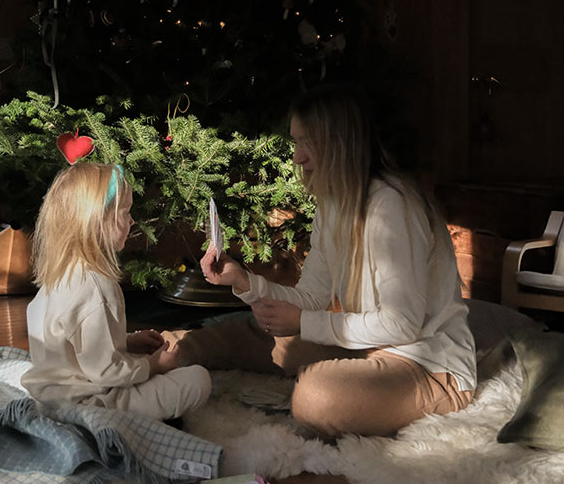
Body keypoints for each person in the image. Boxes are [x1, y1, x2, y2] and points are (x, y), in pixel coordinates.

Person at [173, 84, 476, 438]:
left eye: (307, 143)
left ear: (339, 143)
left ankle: (335, 381)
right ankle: (165, 351)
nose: (298, 157)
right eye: (296, 142)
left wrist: (305, 323)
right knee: (260, 337)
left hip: (427, 367)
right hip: (365, 347)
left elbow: (402, 325)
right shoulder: (333, 203)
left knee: (316, 396)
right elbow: (312, 298)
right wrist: (243, 282)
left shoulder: (391, 204)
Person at [21, 162, 211, 420]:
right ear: (95, 219)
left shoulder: (59, 274)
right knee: (197, 379)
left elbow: (73, 344)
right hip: (88, 404)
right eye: (124, 212)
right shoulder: (97, 287)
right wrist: (154, 366)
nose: (132, 221)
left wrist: (127, 341)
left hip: (50, 395)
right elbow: (106, 372)